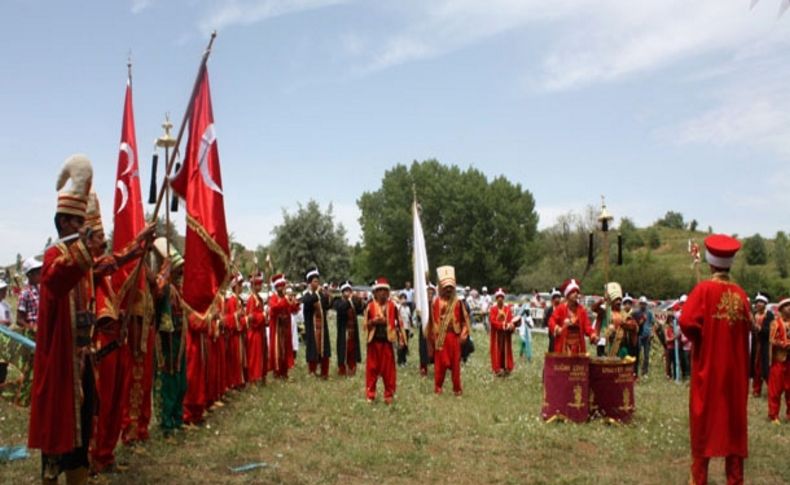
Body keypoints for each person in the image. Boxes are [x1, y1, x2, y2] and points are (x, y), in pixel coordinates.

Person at [29, 155, 152, 485]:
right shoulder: (57, 255)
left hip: (82, 366)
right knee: (59, 438)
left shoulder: (83, 262)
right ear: (69, 223)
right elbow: (56, 278)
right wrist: (84, 246)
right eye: (82, 222)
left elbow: (107, 262)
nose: (89, 229)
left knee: (80, 434)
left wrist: (139, 245)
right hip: (60, 367)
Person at [679, 234, 751, 485]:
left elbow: (686, 321)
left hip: (708, 375)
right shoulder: (741, 296)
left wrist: (701, 335)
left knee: (704, 430)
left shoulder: (703, 290)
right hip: (735, 378)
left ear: (710, 263)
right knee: (733, 431)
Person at [151, 238, 187, 438]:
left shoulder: (179, 289)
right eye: (178, 270)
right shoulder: (164, 286)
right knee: (169, 382)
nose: (181, 273)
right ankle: (167, 424)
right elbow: (158, 294)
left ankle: (178, 419)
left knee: (181, 382)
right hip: (167, 342)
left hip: (179, 341)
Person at [363, 278, 405, 403]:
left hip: (387, 342)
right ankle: (370, 394)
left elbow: (399, 324)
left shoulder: (393, 306)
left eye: (384, 290)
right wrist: (373, 322)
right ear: (375, 293)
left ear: (388, 292)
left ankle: (389, 394)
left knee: (388, 371)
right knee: (371, 369)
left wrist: (401, 339)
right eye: (379, 290)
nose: (382, 293)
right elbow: (365, 325)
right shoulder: (370, 307)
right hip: (374, 342)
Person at [429, 266, 470, 396]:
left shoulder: (458, 303)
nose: (448, 289)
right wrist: (434, 339)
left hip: (454, 337)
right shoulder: (436, 302)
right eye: (446, 286)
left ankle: (457, 389)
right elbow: (433, 322)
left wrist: (464, 334)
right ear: (441, 287)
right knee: (440, 365)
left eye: (450, 287)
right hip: (441, 337)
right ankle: (438, 388)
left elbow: (465, 321)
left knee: (456, 365)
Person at [549, 279, 596, 355]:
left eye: (577, 292)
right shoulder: (560, 308)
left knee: (578, 367)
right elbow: (551, 321)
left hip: (578, 347)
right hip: (563, 346)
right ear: (567, 294)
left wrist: (592, 335)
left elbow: (587, 326)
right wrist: (557, 328)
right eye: (573, 292)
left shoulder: (581, 310)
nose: (576, 294)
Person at [269, 274, 300, 379]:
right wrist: (285, 301)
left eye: (283, 286)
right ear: (276, 287)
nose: (281, 288)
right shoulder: (273, 298)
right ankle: (277, 372)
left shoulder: (286, 298)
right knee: (278, 350)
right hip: (277, 328)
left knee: (286, 349)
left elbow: (292, 310)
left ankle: (284, 371)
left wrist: (295, 304)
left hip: (285, 328)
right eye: (279, 286)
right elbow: (274, 308)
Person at [302, 267, 331, 378]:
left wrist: (327, 296)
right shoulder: (307, 295)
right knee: (313, 348)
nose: (317, 283)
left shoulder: (320, 295)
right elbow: (307, 301)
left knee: (324, 348)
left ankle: (324, 372)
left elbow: (327, 305)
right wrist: (316, 294)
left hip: (322, 326)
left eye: (318, 281)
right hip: (312, 327)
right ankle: (312, 370)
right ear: (309, 283)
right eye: (315, 281)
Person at [767, 297, 790, 424]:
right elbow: (771, 340)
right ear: (781, 309)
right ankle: (773, 415)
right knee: (775, 390)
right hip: (779, 360)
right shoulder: (775, 323)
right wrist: (783, 344)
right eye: (787, 306)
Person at [334, 280, 362, 376]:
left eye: (349, 291)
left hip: (353, 331)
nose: (348, 293)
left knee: (353, 349)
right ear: (342, 292)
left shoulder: (353, 302)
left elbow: (360, 310)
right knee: (343, 349)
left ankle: (352, 368)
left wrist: (360, 301)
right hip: (344, 331)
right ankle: (342, 368)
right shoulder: (338, 301)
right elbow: (341, 309)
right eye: (346, 291)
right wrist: (349, 301)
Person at [224, 274, 246, 390]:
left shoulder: (238, 300)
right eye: (240, 285)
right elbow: (228, 318)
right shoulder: (231, 301)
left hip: (239, 334)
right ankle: (234, 382)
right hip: (233, 335)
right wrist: (236, 316)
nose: (242, 287)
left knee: (240, 358)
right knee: (235, 359)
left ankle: (240, 380)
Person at [245, 272, 267, 385]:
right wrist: (263, 315)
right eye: (258, 285)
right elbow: (251, 318)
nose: (260, 286)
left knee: (261, 354)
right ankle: (253, 378)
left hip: (261, 331)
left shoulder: (260, 299)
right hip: (254, 332)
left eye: (261, 284)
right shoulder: (251, 300)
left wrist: (265, 317)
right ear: (253, 286)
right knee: (254, 356)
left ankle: (261, 376)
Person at [489, 288, 517, 376]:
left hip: (506, 335)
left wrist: (511, 325)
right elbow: (493, 321)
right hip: (497, 335)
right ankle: (497, 369)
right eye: (498, 297)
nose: (500, 299)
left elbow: (510, 320)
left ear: (503, 298)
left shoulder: (507, 309)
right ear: (496, 299)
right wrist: (502, 325)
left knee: (506, 350)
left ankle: (506, 367)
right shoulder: (493, 309)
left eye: (501, 297)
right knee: (497, 351)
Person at [751, 292, 772, 397]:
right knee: (756, 367)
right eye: (757, 302)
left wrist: (760, 329)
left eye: (761, 302)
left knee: (766, 368)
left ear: (765, 303)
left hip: (765, 345)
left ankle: (772, 389)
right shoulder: (754, 314)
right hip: (756, 344)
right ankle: (756, 389)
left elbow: (770, 330)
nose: (759, 304)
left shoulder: (769, 315)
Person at [633, 296, 655, 377]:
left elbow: (653, 324)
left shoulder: (649, 313)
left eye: (644, 304)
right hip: (639, 335)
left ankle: (644, 372)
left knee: (646, 355)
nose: (643, 305)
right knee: (637, 354)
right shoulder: (636, 313)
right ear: (639, 304)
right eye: (641, 304)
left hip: (647, 336)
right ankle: (636, 372)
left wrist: (652, 332)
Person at [417, 283, 436, 376]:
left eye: (431, 293)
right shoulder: (422, 305)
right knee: (423, 347)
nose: (430, 295)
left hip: (434, 328)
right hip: (424, 327)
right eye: (428, 293)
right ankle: (423, 367)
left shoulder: (436, 303)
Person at [397, 292, 412, 367]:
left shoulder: (408, 308)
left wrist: (410, 329)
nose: (403, 300)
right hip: (400, 329)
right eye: (402, 298)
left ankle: (404, 360)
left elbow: (409, 319)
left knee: (406, 345)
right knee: (401, 345)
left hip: (406, 328)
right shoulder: (398, 307)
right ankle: (400, 361)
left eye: (405, 298)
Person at [543, 288, 561, 352]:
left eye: (559, 297)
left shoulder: (562, 308)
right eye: (556, 297)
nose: (557, 299)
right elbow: (546, 320)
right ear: (552, 299)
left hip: (561, 332)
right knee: (552, 347)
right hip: (552, 332)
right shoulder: (549, 309)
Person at [0, 281, 11, 384]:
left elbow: (9, 321)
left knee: (3, 365)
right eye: (2, 290)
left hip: (5, 340)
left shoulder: (6, 305)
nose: (4, 292)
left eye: (4, 289)